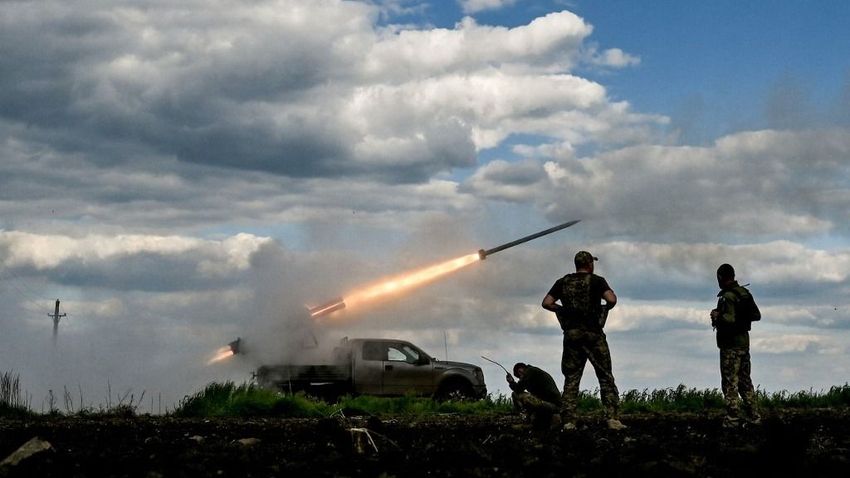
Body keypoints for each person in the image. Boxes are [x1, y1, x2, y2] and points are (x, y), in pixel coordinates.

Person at [542, 250, 626, 431]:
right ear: (590, 264)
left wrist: (563, 310)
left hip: (572, 336)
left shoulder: (563, 282)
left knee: (571, 378)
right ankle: (612, 418)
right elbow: (611, 299)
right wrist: (604, 308)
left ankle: (569, 421)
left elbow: (546, 302)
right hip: (593, 334)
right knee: (605, 376)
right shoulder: (597, 281)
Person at [710, 263, 761, 426]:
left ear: (720, 278)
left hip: (730, 346)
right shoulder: (744, 293)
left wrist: (718, 316)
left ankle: (732, 418)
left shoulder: (728, 297)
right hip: (744, 344)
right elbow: (756, 315)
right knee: (745, 382)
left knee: (730, 382)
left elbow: (729, 319)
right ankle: (754, 416)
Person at [506, 362, 562, 430]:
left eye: (519, 377)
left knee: (526, 397)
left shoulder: (530, 371)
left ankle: (527, 419)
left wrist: (511, 382)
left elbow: (519, 388)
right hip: (546, 404)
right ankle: (529, 419)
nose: (520, 379)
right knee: (516, 394)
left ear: (520, 371)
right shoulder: (533, 373)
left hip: (554, 406)